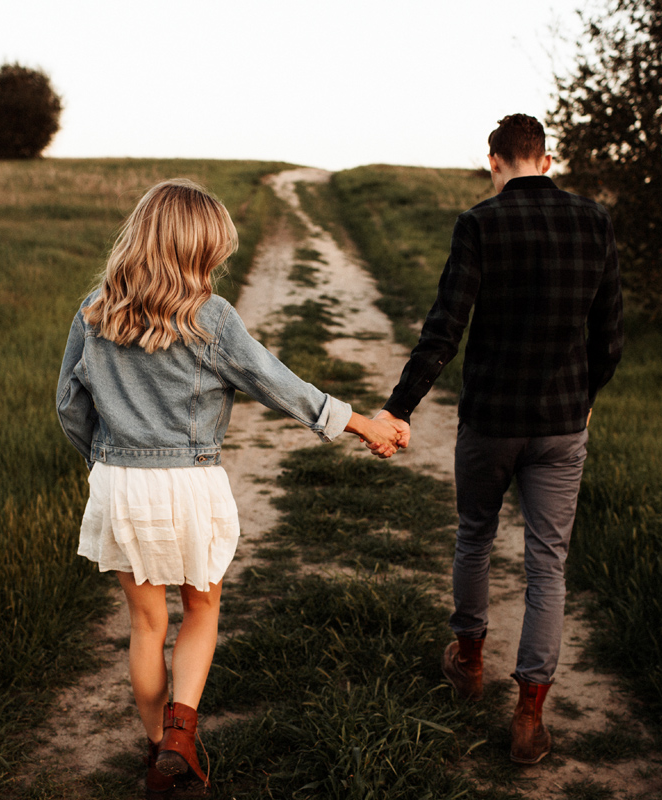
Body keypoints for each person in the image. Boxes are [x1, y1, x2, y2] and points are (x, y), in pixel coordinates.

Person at [56, 179, 404, 794]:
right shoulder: (209, 318)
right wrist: (361, 424)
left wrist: (106, 466)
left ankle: (153, 751)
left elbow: (69, 408)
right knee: (201, 607)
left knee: (145, 626)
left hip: (120, 484)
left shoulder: (94, 310)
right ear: (198, 249)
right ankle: (182, 737)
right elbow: (279, 384)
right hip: (190, 484)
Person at [375, 114, 623, 764]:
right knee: (547, 564)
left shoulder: (480, 223)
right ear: (546, 160)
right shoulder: (594, 219)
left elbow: (445, 327)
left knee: (475, 536)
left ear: (494, 161)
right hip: (562, 425)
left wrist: (400, 407)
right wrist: (586, 398)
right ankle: (530, 714)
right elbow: (610, 336)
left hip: (490, 420)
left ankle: (471, 661)